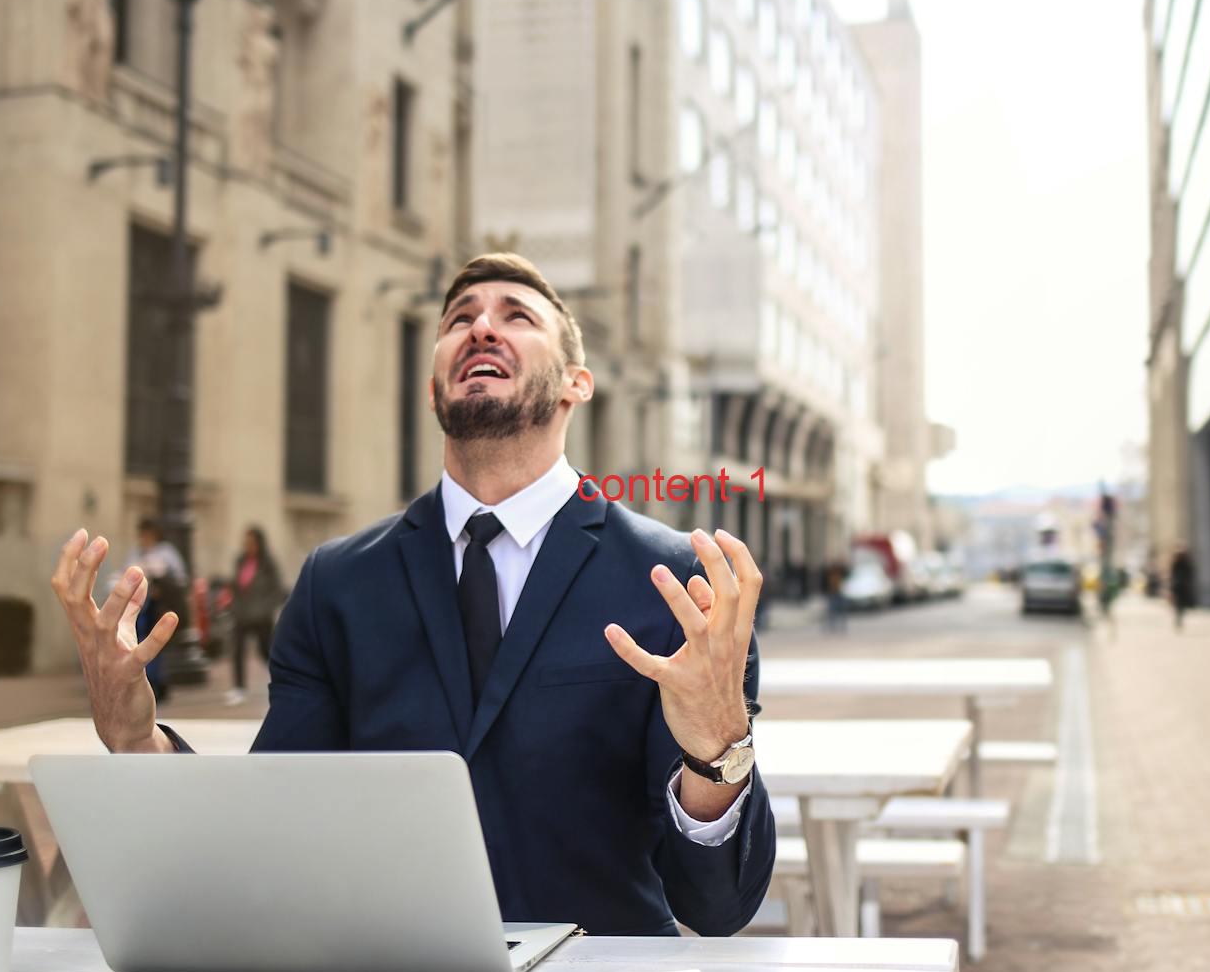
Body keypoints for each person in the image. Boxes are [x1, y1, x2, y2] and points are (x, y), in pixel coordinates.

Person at [50, 253, 775, 936]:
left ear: (575, 384)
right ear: (433, 388)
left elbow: (715, 904)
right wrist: (135, 740)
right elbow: (269, 830)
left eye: (516, 315)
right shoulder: (336, 583)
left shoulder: (680, 585)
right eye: (459, 318)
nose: (481, 326)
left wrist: (718, 747)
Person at [118, 517, 188, 701]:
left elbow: (179, 578)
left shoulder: (166, 553)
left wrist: (161, 582)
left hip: (159, 605)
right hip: (141, 605)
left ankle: (157, 681)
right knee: (140, 641)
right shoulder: (136, 553)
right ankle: (146, 681)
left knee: (156, 642)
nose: (144, 538)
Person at [226, 526, 288, 703]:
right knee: (237, 650)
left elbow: (277, 590)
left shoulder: (268, 563)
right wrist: (234, 607)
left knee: (265, 651)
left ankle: (281, 681)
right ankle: (239, 687)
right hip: (241, 615)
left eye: (251, 542)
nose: (248, 545)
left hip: (261, 617)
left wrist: (264, 609)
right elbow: (235, 586)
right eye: (246, 542)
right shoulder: (241, 561)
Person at [1169, 545, 1194, 631]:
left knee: (1180, 604)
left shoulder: (1184, 563)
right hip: (1179, 586)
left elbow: (1189, 574)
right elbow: (1172, 575)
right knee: (1179, 604)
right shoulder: (1177, 563)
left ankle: (1179, 618)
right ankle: (1179, 618)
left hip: (1180, 586)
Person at [822, 561, 848, 634]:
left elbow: (846, 572)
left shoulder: (840, 573)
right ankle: (832, 626)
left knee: (841, 611)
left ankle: (841, 626)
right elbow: (825, 583)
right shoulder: (829, 574)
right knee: (831, 611)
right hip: (832, 593)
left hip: (838, 592)